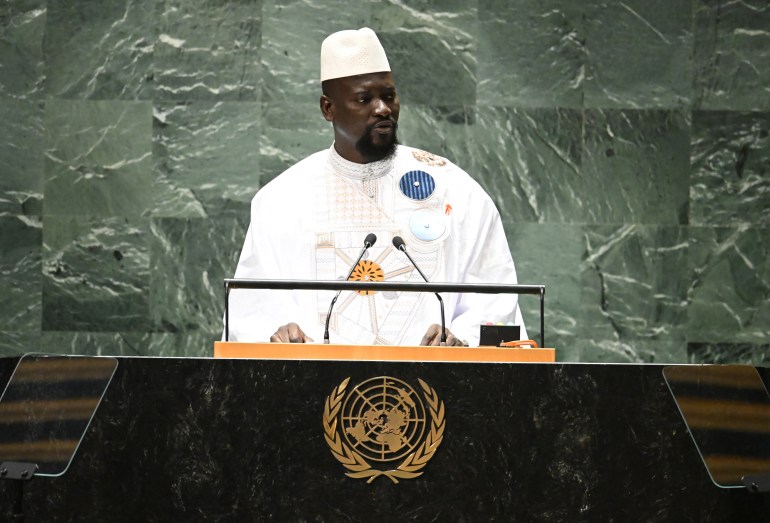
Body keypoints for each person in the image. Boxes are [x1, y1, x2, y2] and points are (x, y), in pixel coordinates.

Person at [227, 27, 526, 347]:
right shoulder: (281, 201)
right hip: (312, 393)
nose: (383, 108)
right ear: (328, 108)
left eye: (388, 96)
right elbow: (251, 314)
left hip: (436, 392)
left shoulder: (455, 190)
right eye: (364, 98)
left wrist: (460, 339)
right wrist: (280, 334)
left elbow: (496, 303)